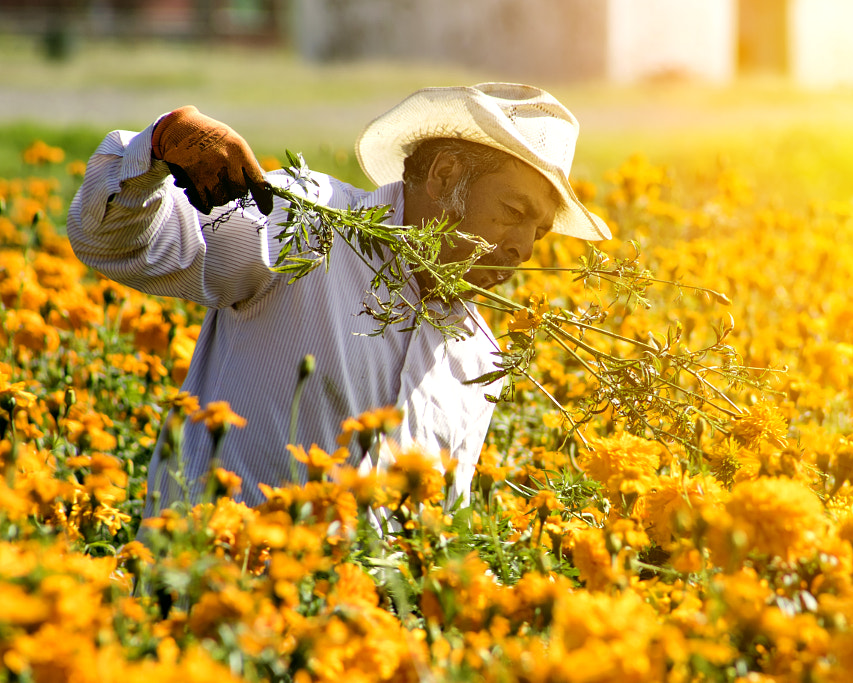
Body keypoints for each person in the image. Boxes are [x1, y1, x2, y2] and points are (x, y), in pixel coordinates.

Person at [67, 82, 611, 516]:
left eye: (539, 233)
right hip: (214, 605)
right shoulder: (307, 223)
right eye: (514, 213)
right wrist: (161, 145)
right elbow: (118, 244)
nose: (521, 249)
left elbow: (438, 534)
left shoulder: (480, 359)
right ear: (445, 176)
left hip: (355, 640)